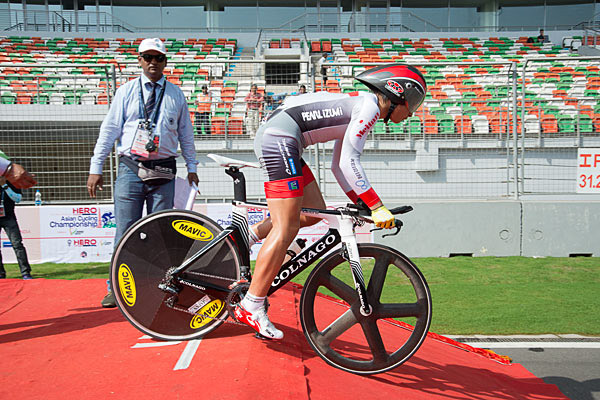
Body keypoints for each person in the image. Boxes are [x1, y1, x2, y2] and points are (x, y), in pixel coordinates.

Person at [233, 64, 427, 339]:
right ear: (398, 92)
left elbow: (338, 165)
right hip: (280, 138)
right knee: (286, 227)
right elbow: (349, 162)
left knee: (312, 214)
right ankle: (251, 305)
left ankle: (247, 234)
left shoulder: (363, 107)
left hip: (285, 138)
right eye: (414, 103)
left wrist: (360, 202)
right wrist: (375, 204)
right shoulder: (370, 108)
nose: (413, 111)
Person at [88, 38, 199, 308]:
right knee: (125, 232)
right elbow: (109, 130)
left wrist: (193, 167)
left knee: (161, 232)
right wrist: (96, 167)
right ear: (139, 59)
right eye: (148, 57)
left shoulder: (175, 94)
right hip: (130, 168)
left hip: (164, 171)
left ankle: (159, 286)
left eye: (158, 58)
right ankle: (116, 288)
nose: (153, 62)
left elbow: (186, 134)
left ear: (165, 62)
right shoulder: (126, 91)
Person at [0, 177, 33, 280]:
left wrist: (5, 186)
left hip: (9, 218)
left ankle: (25, 272)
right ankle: (1, 273)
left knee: (17, 244)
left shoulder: (12, 183)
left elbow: (17, 198)